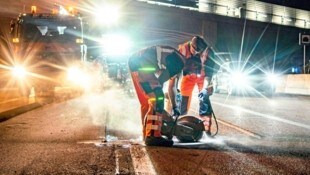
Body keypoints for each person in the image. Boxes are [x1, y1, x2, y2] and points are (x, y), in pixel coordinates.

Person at [128, 45, 185, 147]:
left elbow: (167, 85)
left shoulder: (176, 61)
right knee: (157, 97)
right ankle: (153, 136)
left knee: (150, 101)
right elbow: (162, 81)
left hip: (137, 62)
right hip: (142, 64)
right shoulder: (179, 62)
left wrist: (174, 106)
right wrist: (161, 106)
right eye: (196, 68)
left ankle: (147, 134)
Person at [177, 36, 215, 136]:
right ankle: (179, 123)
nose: (197, 54)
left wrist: (204, 89)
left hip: (203, 77)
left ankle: (206, 128)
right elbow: (176, 70)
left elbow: (209, 74)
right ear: (191, 46)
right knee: (182, 98)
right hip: (188, 77)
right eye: (195, 51)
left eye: (199, 52)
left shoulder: (209, 53)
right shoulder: (183, 50)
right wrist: (175, 86)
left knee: (204, 98)